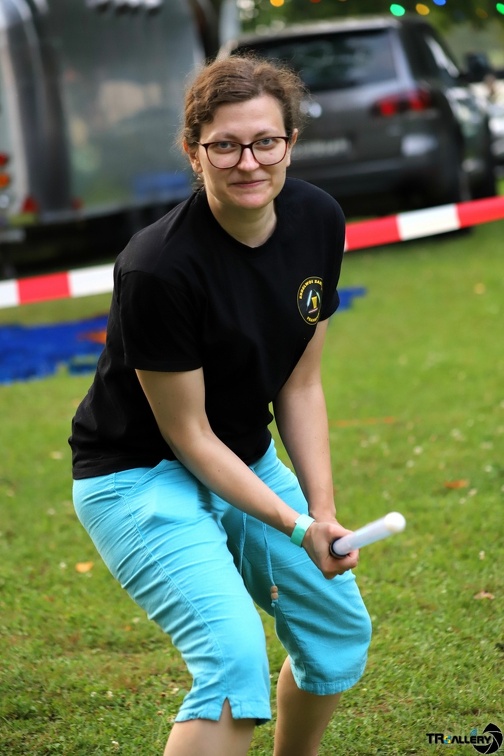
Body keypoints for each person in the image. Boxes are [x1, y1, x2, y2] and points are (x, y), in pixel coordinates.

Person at [69, 54, 372, 756]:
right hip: (137, 474)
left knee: (336, 630)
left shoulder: (317, 218)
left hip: (243, 454)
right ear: (192, 150)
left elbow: (299, 383)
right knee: (234, 662)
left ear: (290, 142)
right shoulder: (158, 268)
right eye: (225, 146)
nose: (249, 163)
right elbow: (191, 437)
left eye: (266, 141)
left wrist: (322, 513)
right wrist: (296, 527)